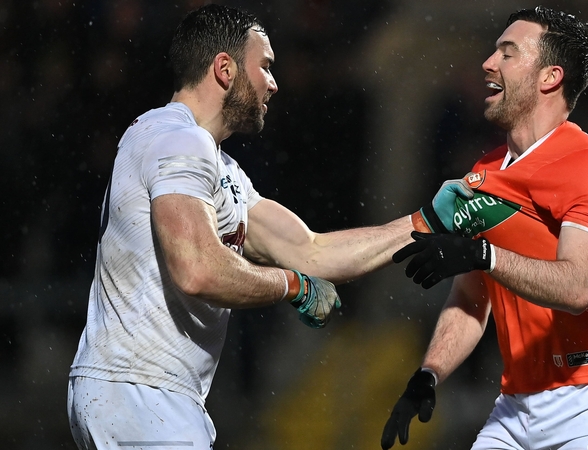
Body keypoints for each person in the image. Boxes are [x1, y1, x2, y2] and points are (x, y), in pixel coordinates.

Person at [66, 4, 462, 449]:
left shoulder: (222, 168)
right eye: (265, 67)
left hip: (146, 395)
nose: (273, 83)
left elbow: (312, 251)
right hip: (140, 390)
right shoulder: (176, 137)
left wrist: (425, 222)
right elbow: (197, 269)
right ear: (224, 69)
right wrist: (292, 286)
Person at [382, 6, 588, 450]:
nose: (488, 63)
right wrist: (427, 375)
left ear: (550, 77)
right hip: (515, 408)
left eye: (507, 53)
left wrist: (483, 255)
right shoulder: (485, 173)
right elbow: (472, 297)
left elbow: (578, 288)